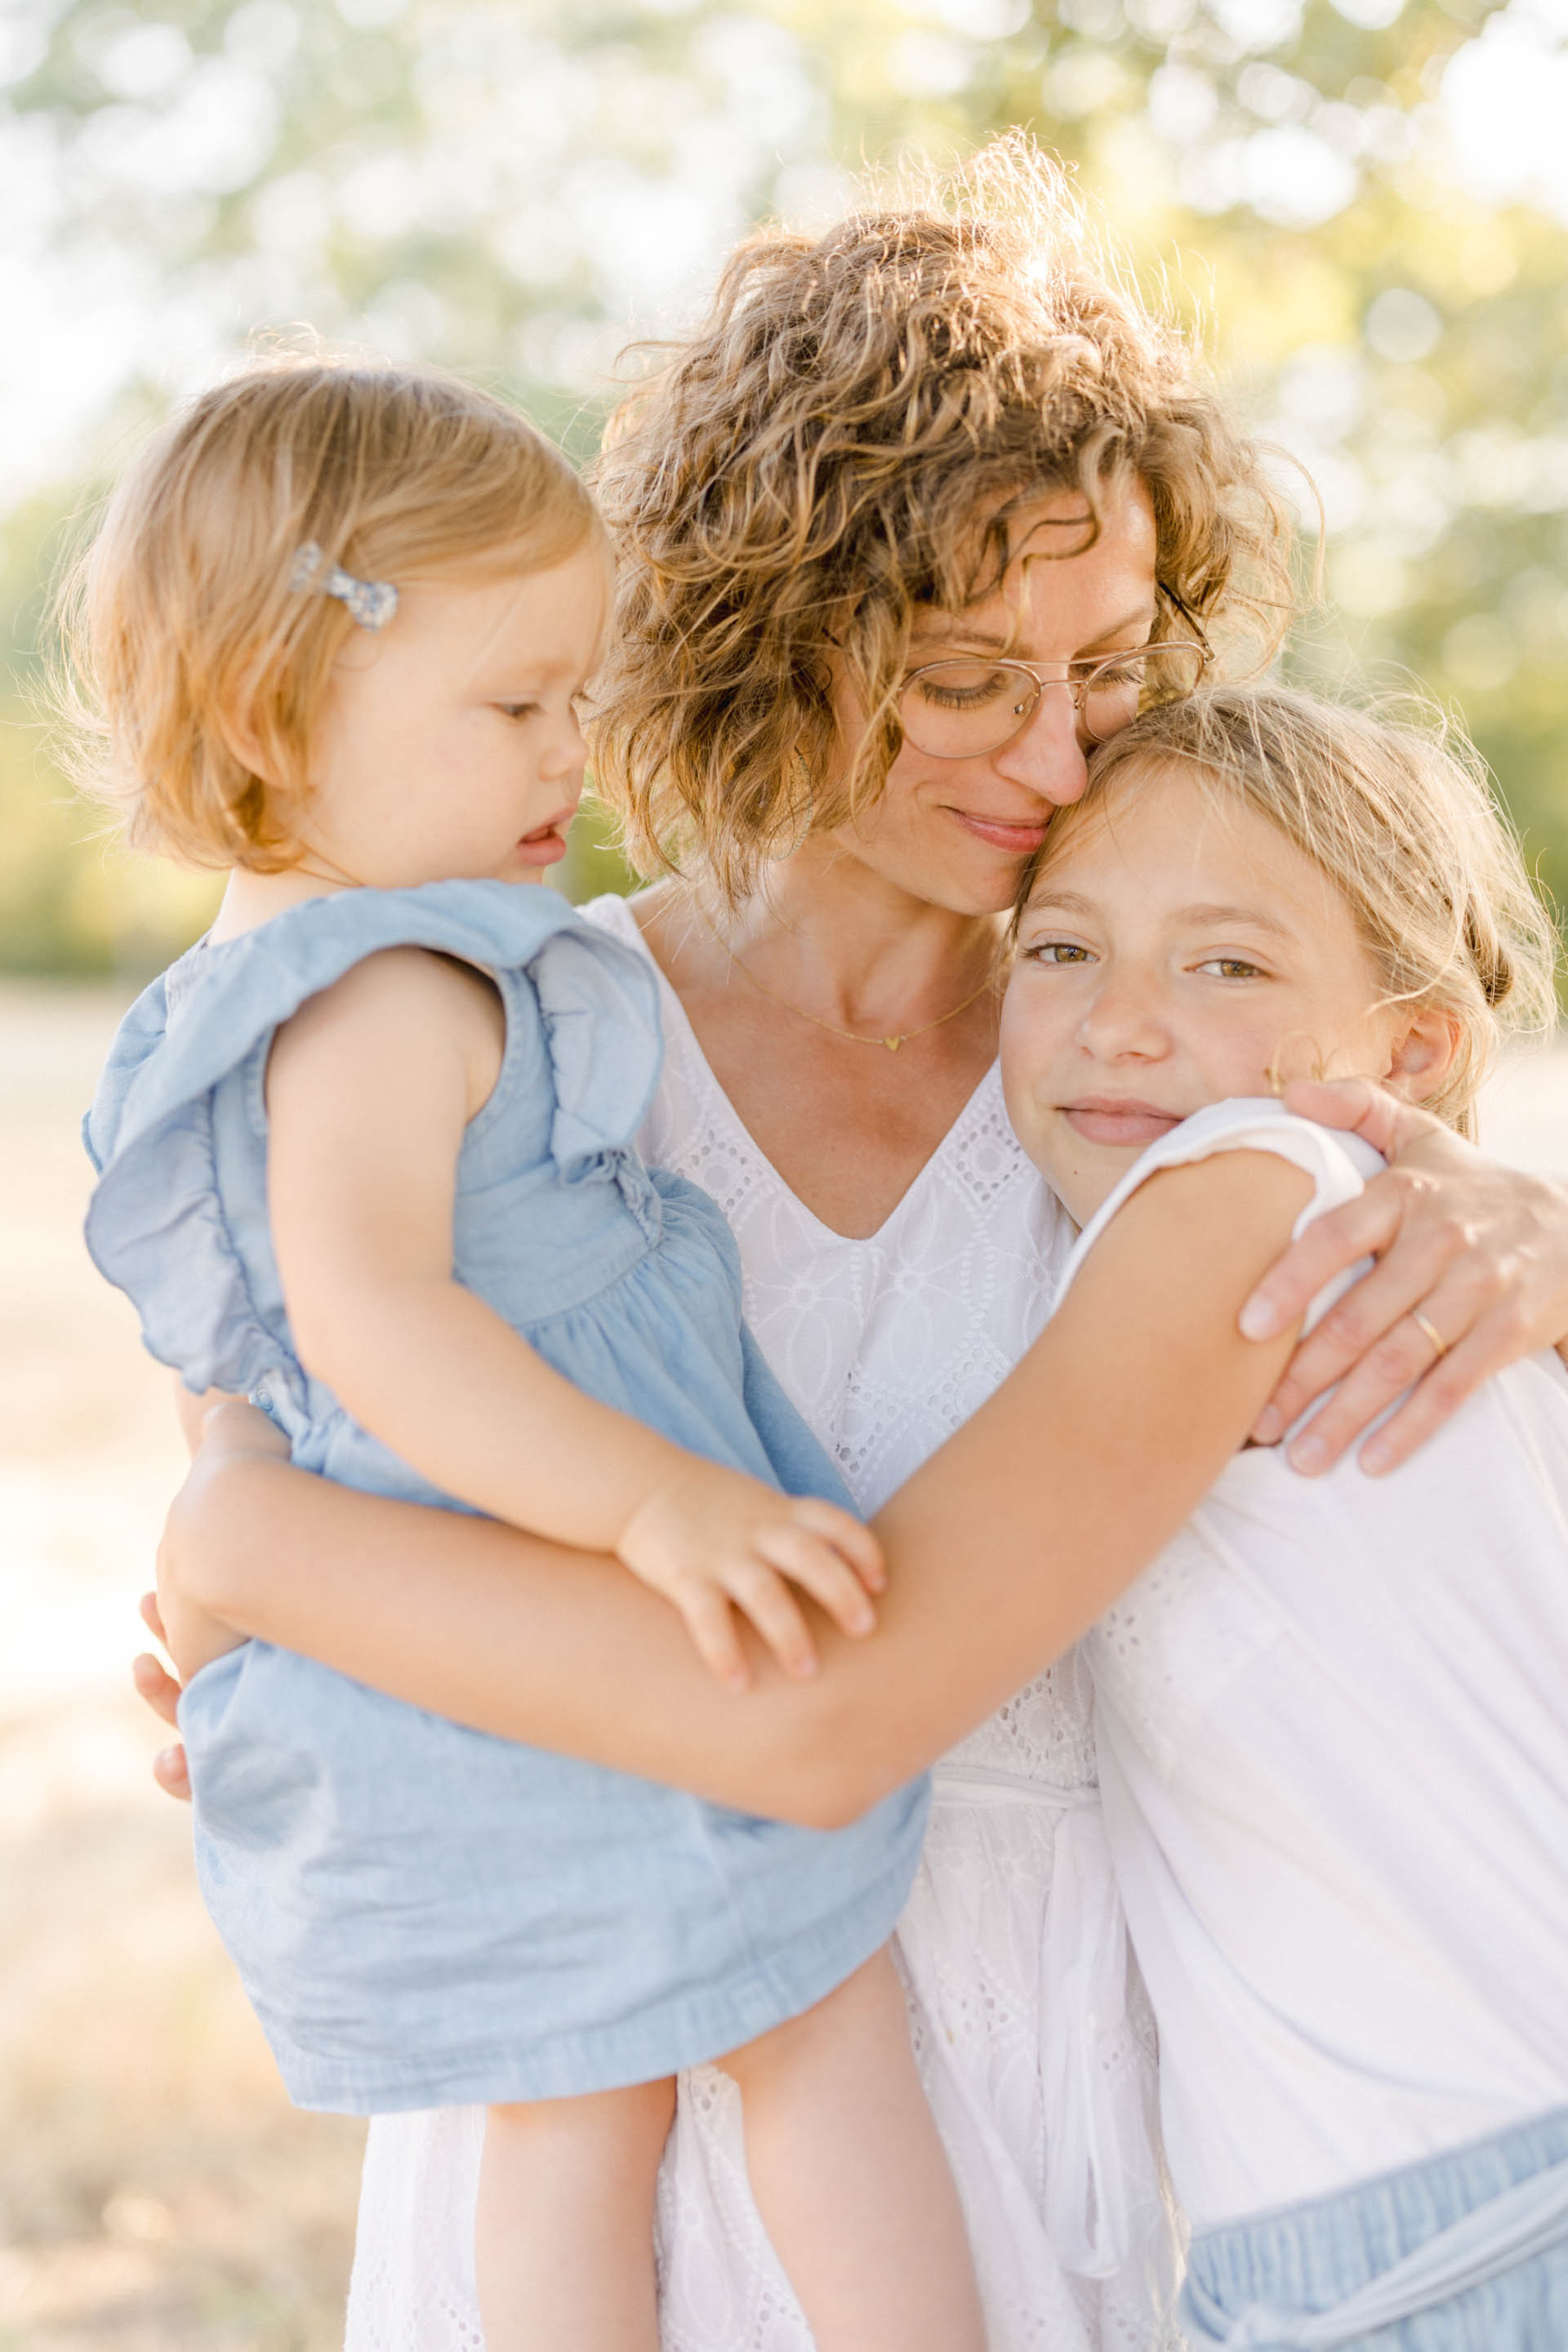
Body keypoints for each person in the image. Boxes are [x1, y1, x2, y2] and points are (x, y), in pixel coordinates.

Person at [136, 145, 1568, 2352]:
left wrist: (1527, 1224)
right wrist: (281, 1617)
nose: (1063, 750)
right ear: (770, 629)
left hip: (998, 2112)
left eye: (1106, 666)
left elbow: (1380, 1340)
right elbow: (267, 1484)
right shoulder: (485, 1030)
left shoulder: (1135, 1072)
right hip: (580, 2109)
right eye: (972, 675)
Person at [75, 354, 983, 2352]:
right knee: (822, 2022)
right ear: (273, 713)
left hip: (451, 1638)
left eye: (573, 695)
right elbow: (372, 1315)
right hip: (560, 1585)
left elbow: (235, 1364)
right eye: (512, 706)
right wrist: (659, 1498)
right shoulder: (390, 986)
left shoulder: (256, 988)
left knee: (576, 2109)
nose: (565, 751)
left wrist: (248, 1562)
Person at [1000, 682, 1566, 2349]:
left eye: (1225, 963)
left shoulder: (1257, 1201)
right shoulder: (1440, 1268)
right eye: (1059, 950)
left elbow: (869, 1653)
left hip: (1448, 2234)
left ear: (1410, 1051)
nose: (1118, 1023)